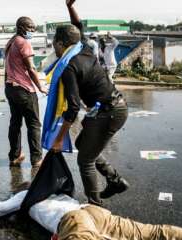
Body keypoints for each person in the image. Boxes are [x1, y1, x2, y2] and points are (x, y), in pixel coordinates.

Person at [49, 0, 129, 206]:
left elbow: (73, 108)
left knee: (85, 161)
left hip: (108, 112)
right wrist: (69, 7)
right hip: (114, 107)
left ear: (60, 44)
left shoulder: (68, 67)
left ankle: (95, 206)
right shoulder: (82, 48)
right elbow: (78, 26)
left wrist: (58, 139)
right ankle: (115, 180)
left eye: (54, 43)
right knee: (81, 144)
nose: (53, 47)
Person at [0, 190, 182, 240]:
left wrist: (15, 198)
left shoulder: (25, 195)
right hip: (93, 212)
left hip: (74, 221)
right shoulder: (58, 192)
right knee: (156, 232)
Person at [4, 16, 47, 167]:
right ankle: (37, 159)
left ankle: (15, 156)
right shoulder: (24, 43)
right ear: (21, 27)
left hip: (10, 88)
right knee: (34, 124)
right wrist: (40, 87)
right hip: (24, 89)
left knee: (15, 123)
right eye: (30, 28)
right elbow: (31, 68)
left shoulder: (11, 41)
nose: (32, 31)